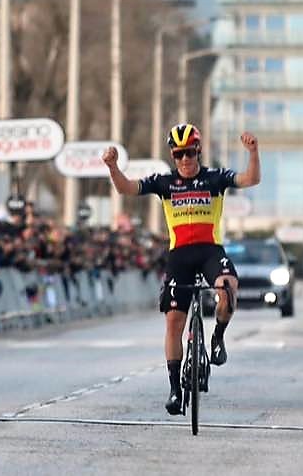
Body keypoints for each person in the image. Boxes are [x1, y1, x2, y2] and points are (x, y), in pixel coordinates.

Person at [102, 123, 261, 415]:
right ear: (173, 156)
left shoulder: (215, 178)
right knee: (174, 323)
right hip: (179, 257)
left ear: (198, 151)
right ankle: (175, 389)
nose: (185, 160)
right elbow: (126, 188)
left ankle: (218, 337)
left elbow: (251, 179)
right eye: (179, 155)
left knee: (227, 288)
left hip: (210, 251)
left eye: (190, 153)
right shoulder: (164, 183)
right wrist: (112, 166)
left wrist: (253, 152)